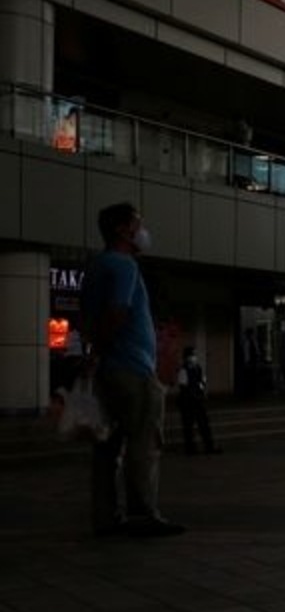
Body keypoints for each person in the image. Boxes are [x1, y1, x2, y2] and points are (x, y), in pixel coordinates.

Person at [80, 202, 185, 538]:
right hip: (132, 369)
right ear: (123, 230)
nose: (143, 231)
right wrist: (105, 346)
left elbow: (93, 318)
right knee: (143, 442)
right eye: (138, 224)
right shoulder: (124, 266)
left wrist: (96, 353)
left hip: (109, 370)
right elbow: (118, 311)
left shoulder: (95, 266)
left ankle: (106, 517)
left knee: (106, 448)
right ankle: (143, 515)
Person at [176, 345, 219, 455]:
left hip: (198, 400)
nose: (194, 357)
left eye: (194, 355)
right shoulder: (183, 369)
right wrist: (196, 388)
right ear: (186, 357)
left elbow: (202, 382)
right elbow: (183, 386)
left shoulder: (198, 368)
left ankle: (209, 446)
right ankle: (190, 449)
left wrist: (200, 387)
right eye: (192, 355)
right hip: (187, 401)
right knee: (188, 426)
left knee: (204, 424)